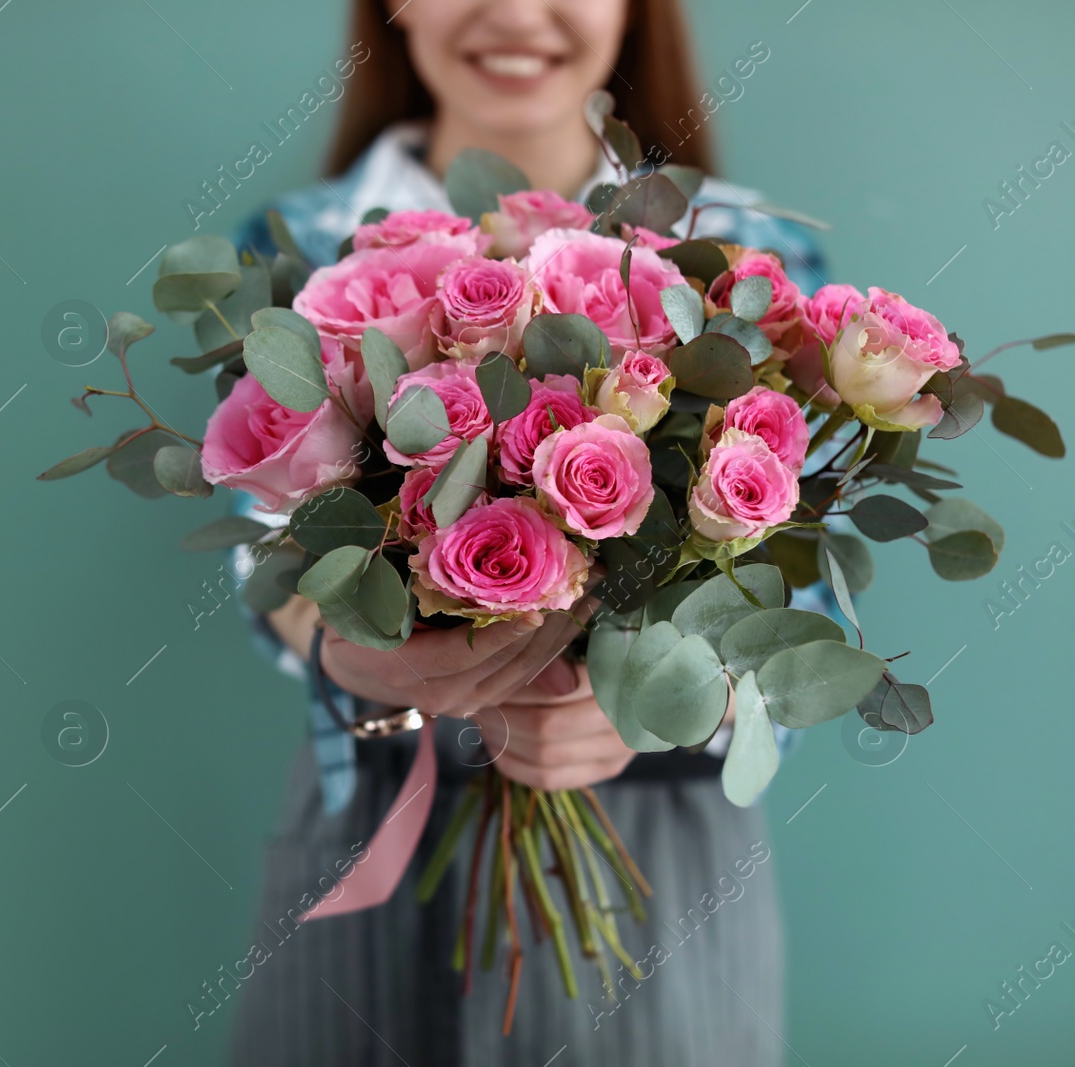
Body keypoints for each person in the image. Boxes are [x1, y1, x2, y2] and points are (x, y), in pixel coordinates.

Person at [225, 1, 830, 1063]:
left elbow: (805, 587)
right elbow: (258, 539)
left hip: (658, 839)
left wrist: (664, 701)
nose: (512, 11)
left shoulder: (748, 249)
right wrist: (345, 645)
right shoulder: (295, 242)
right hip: (367, 811)